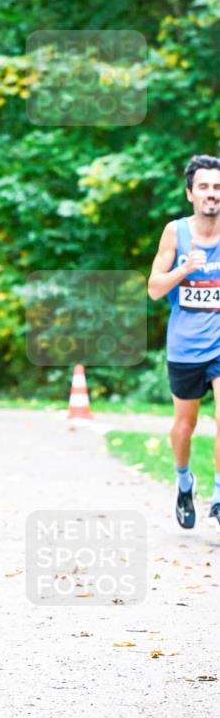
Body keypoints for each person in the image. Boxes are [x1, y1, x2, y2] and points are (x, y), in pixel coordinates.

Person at [147, 154, 220, 530]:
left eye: (218, 188)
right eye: (205, 187)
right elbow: (154, 289)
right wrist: (184, 269)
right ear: (190, 193)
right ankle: (184, 481)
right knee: (184, 426)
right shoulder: (176, 233)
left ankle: (219, 499)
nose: (213, 194)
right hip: (186, 347)